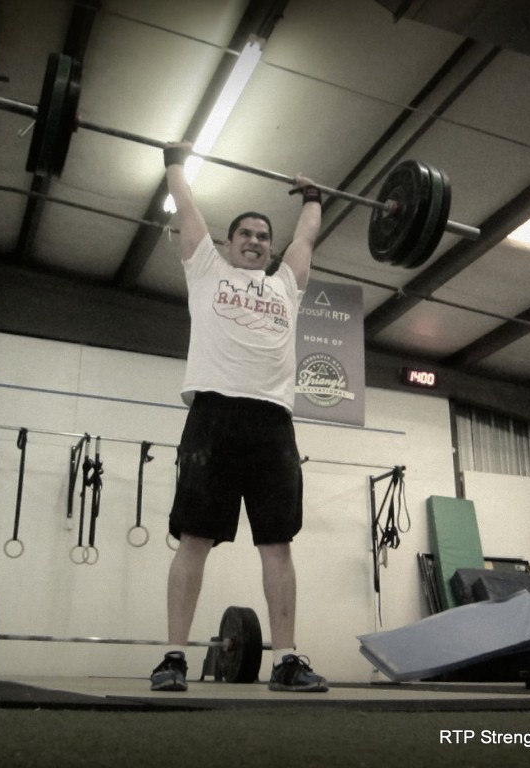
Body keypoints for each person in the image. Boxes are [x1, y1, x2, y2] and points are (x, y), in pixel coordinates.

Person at [149, 141, 328, 693]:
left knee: (277, 543)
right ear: (228, 244)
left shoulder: (286, 286)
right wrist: (175, 165)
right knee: (194, 539)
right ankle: (174, 656)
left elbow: (306, 238)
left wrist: (314, 197)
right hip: (213, 416)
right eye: (245, 235)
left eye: (262, 237)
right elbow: (188, 208)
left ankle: (287, 659)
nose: (255, 242)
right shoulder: (205, 270)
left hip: (272, 423)